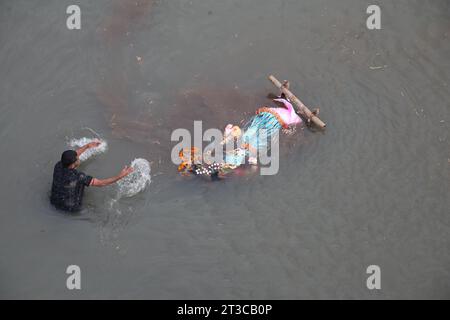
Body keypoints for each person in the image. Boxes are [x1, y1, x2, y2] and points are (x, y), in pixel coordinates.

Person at [50, 140, 134, 212]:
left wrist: (87, 146)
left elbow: (74, 155)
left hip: (54, 202)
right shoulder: (78, 176)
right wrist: (120, 175)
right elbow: (101, 183)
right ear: (72, 165)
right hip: (71, 208)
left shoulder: (58, 165)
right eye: (77, 159)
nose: (79, 158)